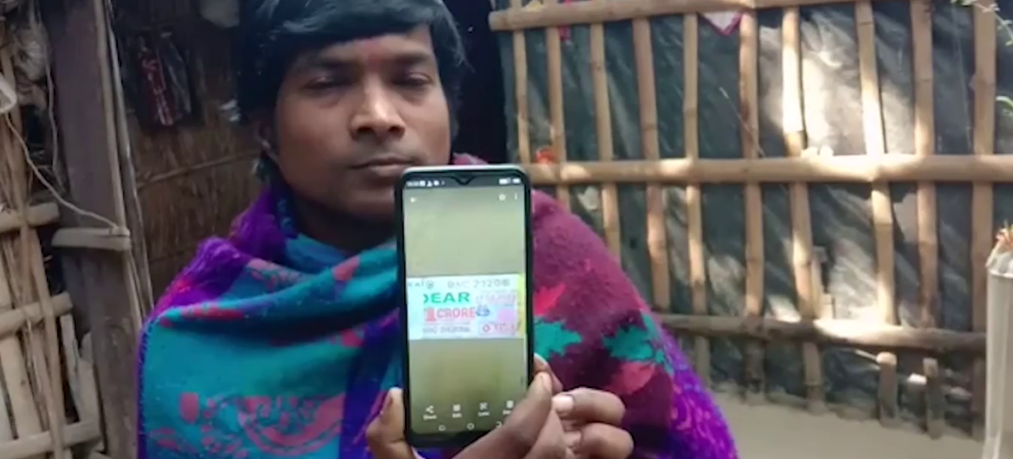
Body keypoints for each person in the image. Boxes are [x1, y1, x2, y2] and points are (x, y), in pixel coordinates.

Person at [137, 0, 739, 458]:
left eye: (410, 80)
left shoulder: (555, 259)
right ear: (266, 130)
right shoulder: (197, 341)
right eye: (327, 83)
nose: (379, 117)